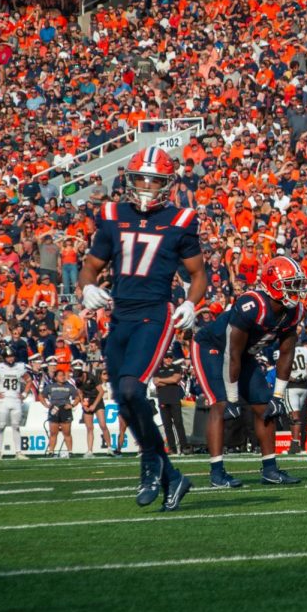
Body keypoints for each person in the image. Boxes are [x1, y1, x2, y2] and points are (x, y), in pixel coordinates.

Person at [78, 146, 207, 511]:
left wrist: (189, 303)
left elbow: (197, 274)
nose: (147, 186)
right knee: (123, 397)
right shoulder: (112, 216)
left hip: (155, 313)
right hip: (120, 315)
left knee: (134, 389)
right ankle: (172, 476)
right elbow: (91, 265)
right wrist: (86, 286)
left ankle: (150, 463)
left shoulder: (180, 220)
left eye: (154, 180)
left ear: (167, 185)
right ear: (129, 180)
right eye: (140, 178)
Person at [191, 256, 307, 488]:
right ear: (273, 284)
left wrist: (278, 395)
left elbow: (287, 354)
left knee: (265, 406)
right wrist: (233, 397)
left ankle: (270, 469)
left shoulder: (294, 312)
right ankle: (216, 471)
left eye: (297, 284)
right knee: (221, 404)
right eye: (291, 284)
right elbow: (231, 354)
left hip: (241, 354)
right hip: (212, 348)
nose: (296, 290)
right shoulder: (252, 305)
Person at [0, 345, 29, 460]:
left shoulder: (20, 367)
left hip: (16, 400)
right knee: (1, 426)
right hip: (4, 400)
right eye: (8, 357)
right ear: (4, 358)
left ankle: (18, 452)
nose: (10, 359)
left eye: (12, 356)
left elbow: (29, 380)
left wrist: (24, 394)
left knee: (16, 426)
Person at [153, 356, 189, 456]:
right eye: (166, 357)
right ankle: (172, 448)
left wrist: (162, 380)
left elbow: (175, 379)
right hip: (163, 400)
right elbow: (156, 382)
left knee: (179, 423)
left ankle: (184, 447)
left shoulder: (176, 367)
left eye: (170, 357)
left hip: (174, 399)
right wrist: (169, 380)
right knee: (167, 425)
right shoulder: (157, 369)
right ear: (163, 359)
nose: (168, 359)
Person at [285, 339, 307, 454]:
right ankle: (295, 443)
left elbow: (282, 369)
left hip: (291, 386)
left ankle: (295, 444)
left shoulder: (285, 350)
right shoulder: (305, 351)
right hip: (304, 387)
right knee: (296, 415)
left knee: (294, 416)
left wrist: (288, 378)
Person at [41, 366, 79, 458]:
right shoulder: (50, 386)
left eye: (63, 375)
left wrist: (72, 405)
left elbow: (77, 397)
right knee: (53, 432)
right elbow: (41, 396)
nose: (63, 377)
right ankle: (51, 452)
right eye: (60, 375)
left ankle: (70, 452)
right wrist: (46, 405)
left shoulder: (70, 386)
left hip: (65, 409)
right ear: (55, 377)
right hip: (54, 409)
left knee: (67, 432)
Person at [79, 365, 112, 458]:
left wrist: (94, 405)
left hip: (97, 401)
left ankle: (109, 448)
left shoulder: (92, 378)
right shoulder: (78, 380)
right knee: (89, 428)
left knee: (103, 425)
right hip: (87, 402)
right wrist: (83, 405)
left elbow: (101, 392)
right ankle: (89, 450)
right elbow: (80, 393)